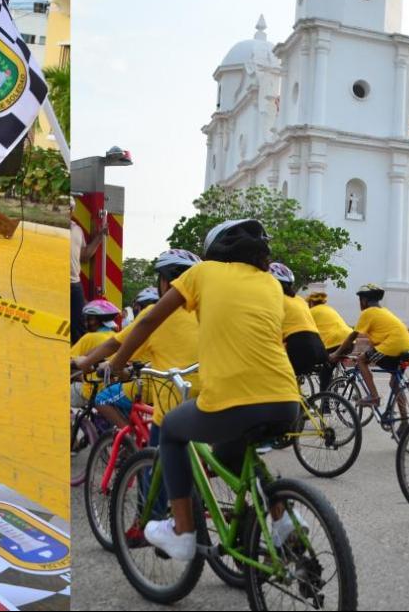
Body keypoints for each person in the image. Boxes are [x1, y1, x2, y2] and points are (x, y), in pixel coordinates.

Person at [105, 219, 300, 561]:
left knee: (171, 429)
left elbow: (148, 320)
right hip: (287, 400)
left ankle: (182, 531)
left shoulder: (203, 273)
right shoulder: (271, 283)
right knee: (231, 455)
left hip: (231, 400)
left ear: (215, 249)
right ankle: (283, 521)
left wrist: (116, 363)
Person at [73, 250, 200, 435]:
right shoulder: (203, 312)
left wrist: (88, 363)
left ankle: (132, 438)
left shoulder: (155, 314)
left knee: (103, 400)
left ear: (164, 282)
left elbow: (115, 346)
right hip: (209, 396)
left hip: (170, 398)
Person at [329, 283, 409, 421]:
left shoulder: (368, 312)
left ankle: (374, 397)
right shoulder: (384, 312)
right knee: (395, 383)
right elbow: (378, 339)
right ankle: (405, 422)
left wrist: (336, 353)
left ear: (364, 300)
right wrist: (367, 353)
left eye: (360, 300)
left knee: (361, 361)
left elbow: (352, 336)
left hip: (392, 346)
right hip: (407, 347)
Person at [70, 299, 130, 427]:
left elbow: (70, 360)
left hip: (92, 390)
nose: (86, 322)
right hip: (115, 387)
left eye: (88, 319)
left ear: (94, 320)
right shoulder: (116, 336)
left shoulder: (89, 338)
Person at [270, 262, 328, 384]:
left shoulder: (275, 299)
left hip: (298, 346)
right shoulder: (300, 300)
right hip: (318, 346)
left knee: (273, 377)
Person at [70, 202, 107, 344]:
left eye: (69, 208)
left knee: (78, 327)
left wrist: (100, 237)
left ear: (72, 210)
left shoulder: (77, 230)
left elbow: (84, 256)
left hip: (74, 284)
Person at [307, 291, 353, 392]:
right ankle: (335, 382)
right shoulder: (329, 309)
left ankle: (325, 400)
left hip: (334, 343)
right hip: (349, 341)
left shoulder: (311, 312)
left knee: (324, 373)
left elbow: (306, 332)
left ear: (311, 302)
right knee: (328, 364)